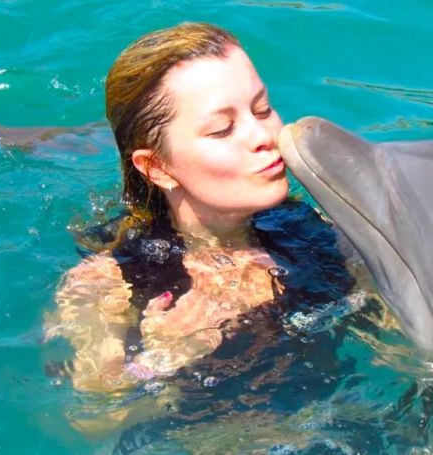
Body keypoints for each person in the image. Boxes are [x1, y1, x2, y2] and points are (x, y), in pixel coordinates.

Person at [44, 22, 369, 401]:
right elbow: (92, 415)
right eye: (222, 130)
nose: (264, 136)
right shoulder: (111, 282)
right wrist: (160, 360)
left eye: (262, 109)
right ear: (157, 168)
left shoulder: (309, 228)